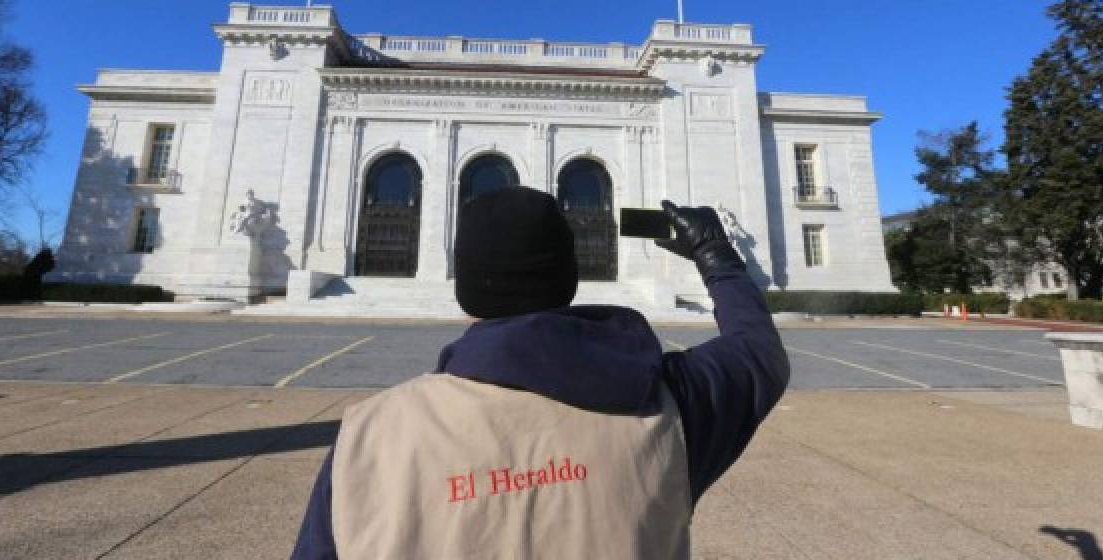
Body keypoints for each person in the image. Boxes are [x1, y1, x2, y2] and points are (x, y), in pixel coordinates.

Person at [291, 186, 790, 559]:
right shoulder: (667, 405)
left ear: (466, 289)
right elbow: (757, 352)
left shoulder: (369, 435)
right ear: (568, 279)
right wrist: (716, 256)